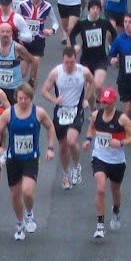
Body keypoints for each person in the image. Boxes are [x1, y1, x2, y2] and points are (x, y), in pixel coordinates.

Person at [85, 87, 131, 241]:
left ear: (114, 102)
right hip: (100, 157)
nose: (106, 105)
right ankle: (100, 225)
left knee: (115, 189)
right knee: (101, 189)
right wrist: (88, 140)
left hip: (116, 161)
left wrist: (121, 143)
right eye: (103, 102)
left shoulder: (122, 118)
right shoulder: (96, 115)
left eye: (108, 103)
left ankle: (116, 210)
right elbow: (91, 128)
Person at [0, 84, 53, 240]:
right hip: (13, 159)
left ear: (31, 98)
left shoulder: (38, 112)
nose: (22, 101)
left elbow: (50, 127)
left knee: (27, 191)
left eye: (26, 99)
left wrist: (50, 147)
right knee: (15, 195)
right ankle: (20, 222)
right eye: (20, 98)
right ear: (16, 97)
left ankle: (29, 214)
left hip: (31, 158)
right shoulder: (9, 113)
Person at [41, 45, 92, 190]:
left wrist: (86, 99)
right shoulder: (56, 73)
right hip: (61, 112)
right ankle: (66, 173)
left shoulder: (83, 71)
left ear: (75, 60)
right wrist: (54, 100)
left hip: (76, 110)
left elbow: (92, 83)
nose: (69, 65)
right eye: (66, 62)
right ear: (63, 61)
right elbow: (44, 90)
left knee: (71, 141)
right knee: (63, 147)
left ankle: (76, 166)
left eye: (72, 62)